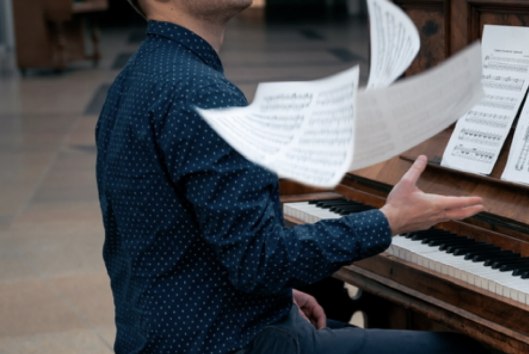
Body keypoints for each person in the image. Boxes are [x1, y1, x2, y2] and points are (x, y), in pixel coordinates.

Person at [95, 0, 487, 353]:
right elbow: (260, 263)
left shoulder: (137, 78)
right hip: (231, 342)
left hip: (170, 335)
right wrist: (389, 220)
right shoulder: (200, 91)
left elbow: (167, 244)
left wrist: (278, 298)